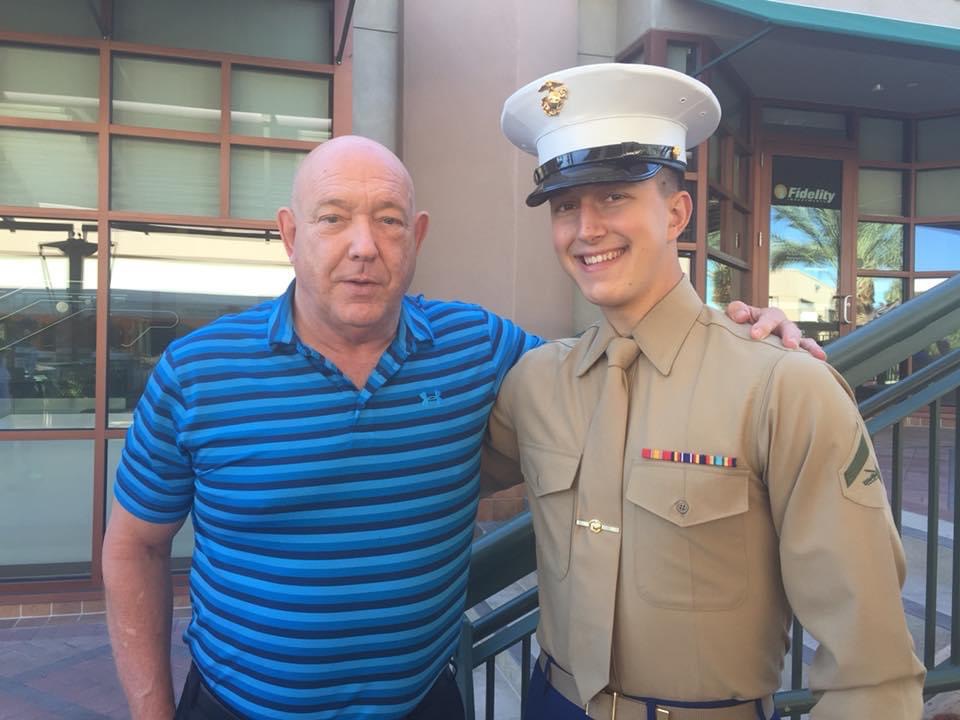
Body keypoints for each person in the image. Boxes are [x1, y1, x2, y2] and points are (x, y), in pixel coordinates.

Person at [102, 134, 818, 720]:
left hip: (423, 705)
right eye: (333, 218)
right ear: (290, 234)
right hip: (237, 708)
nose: (363, 245)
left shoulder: (476, 346)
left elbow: (613, 369)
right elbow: (135, 547)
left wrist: (736, 335)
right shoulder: (198, 372)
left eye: (388, 220)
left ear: (417, 237)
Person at [488, 63, 925, 720]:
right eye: (565, 206)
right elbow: (434, 476)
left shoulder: (784, 386)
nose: (586, 229)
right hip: (552, 702)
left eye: (614, 197)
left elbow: (871, 668)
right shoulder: (536, 383)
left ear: (676, 212)